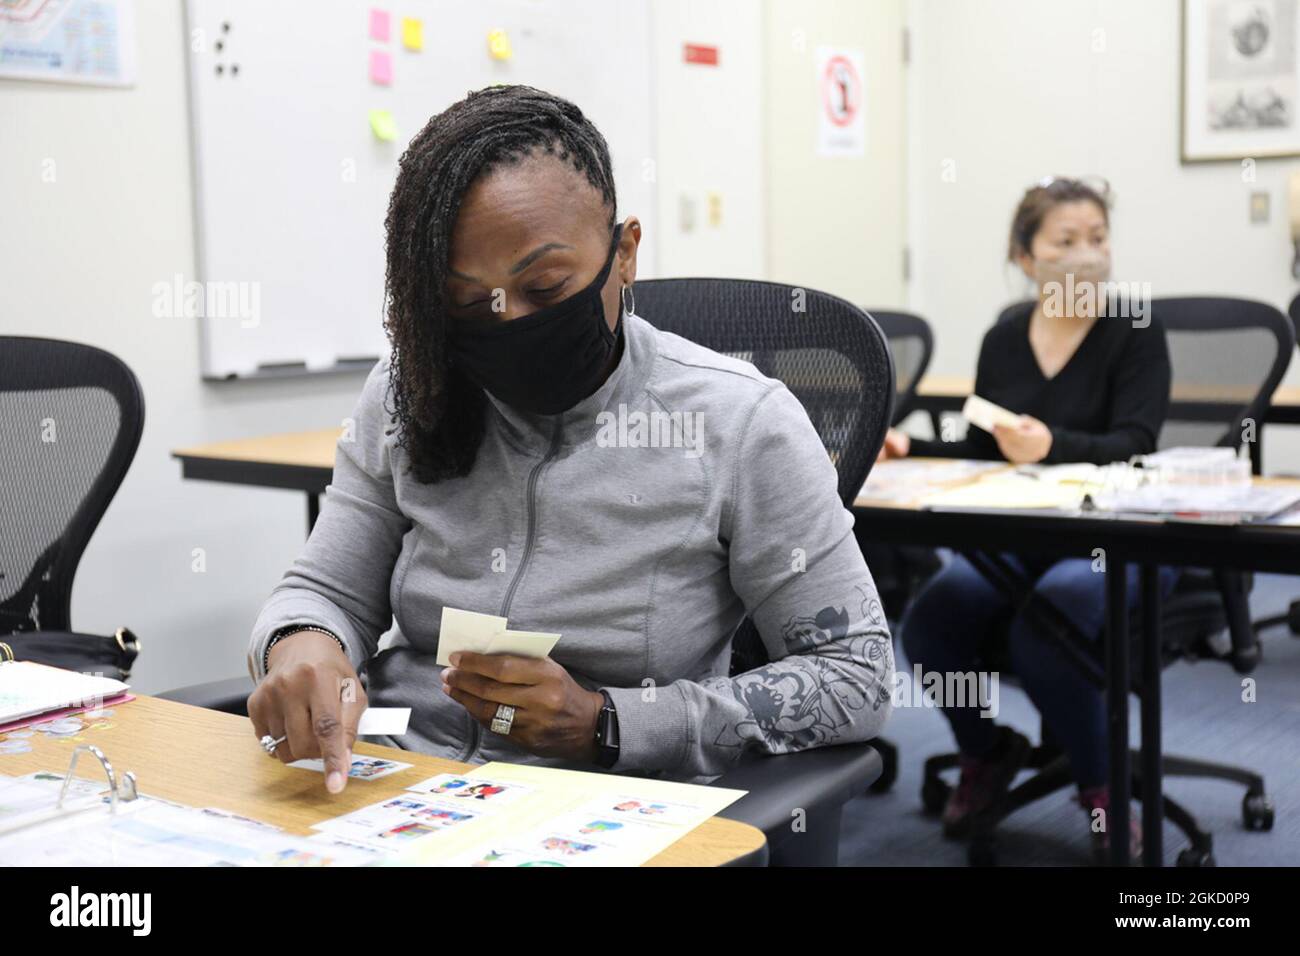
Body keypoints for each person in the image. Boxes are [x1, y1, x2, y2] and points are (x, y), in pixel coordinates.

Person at [246, 85, 893, 791]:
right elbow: (325, 589)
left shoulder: (740, 424)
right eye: (469, 303)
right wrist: (299, 645)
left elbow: (855, 674)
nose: (510, 321)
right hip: (396, 782)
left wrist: (608, 722)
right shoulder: (413, 389)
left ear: (625, 254)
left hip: (600, 804)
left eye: (547, 288)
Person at [884, 177, 1175, 862]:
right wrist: (909, 446)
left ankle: (1102, 790)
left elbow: (1136, 445)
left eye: (1098, 240)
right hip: (1021, 539)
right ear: (1025, 256)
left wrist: (1052, 447)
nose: (1087, 256)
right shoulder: (1006, 336)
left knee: (1048, 625)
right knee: (931, 621)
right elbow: (983, 448)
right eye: (1066, 242)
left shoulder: (1135, 329)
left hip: (1116, 544)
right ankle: (988, 752)